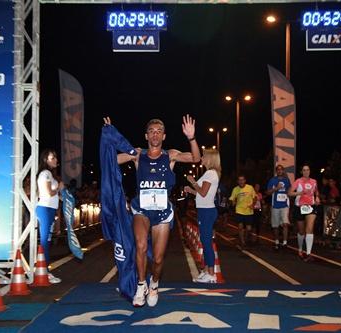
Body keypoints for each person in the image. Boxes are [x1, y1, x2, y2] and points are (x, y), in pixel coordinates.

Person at [104, 115, 200, 307]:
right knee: (140, 246)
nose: (155, 135)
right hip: (141, 209)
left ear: (163, 136)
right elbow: (111, 160)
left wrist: (191, 138)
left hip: (163, 212)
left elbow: (196, 158)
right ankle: (141, 285)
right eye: (151, 131)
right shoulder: (138, 154)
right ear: (146, 135)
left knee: (157, 259)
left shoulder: (170, 155)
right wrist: (110, 137)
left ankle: (154, 283)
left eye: (158, 132)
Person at [184, 149, 221, 283]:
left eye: (204, 156)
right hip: (204, 210)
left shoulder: (211, 173)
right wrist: (192, 190)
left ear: (210, 158)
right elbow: (202, 193)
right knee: (204, 241)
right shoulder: (210, 173)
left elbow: (204, 193)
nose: (201, 158)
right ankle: (206, 270)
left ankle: (211, 274)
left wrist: (193, 182)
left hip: (207, 211)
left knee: (206, 242)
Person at [36, 149, 64, 284]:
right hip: (44, 208)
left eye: (55, 158)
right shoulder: (45, 173)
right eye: (52, 158)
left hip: (50, 209)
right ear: (45, 160)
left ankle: (43, 270)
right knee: (44, 242)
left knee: (46, 241)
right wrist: (59, 187)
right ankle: (44, 271)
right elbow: (48, 193)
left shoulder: (50, 175)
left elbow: (54, 195)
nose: (55, 160)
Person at [288, 164, 320, 262]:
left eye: (308, 170)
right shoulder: (298, 181)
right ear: (302, 172)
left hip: (311, 206)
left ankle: (309, 254)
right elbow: (289, 193)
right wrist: (299, 193)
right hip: (299, 207)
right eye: (304, 170)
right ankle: (300, 249)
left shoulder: (314, 181)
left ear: (310, 171)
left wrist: (317, 197)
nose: (306, 171)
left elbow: (316, 191)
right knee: (301, 231)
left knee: (309, 229)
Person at [266, 164, 292, 250]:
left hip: (285, 205)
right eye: (278, 169)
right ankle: (277, 242)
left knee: (285, 224)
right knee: (276, 226)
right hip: (275, 206)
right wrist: (276, 188)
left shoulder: (287, 180)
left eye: (281, 169)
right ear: (276, 171)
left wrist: (290, 194)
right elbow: (268, 192)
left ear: (283, 170)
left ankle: (285, 243)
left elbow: (289, 190)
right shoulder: (272, 180)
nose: (280, 171)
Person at [229, 175, 257, 248]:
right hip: (239, 210)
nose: (241, 181)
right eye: (239, 180)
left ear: (245, 180)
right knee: (240, 227)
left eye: (242, 180)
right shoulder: (235, 189)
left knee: (249, 228)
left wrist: (253, 205)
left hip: (249, 211)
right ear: (238, 181)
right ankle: (242, 242)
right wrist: (233, 202)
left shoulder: (250, 188)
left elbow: (255, 197)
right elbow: (232, 198)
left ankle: (245, 238)